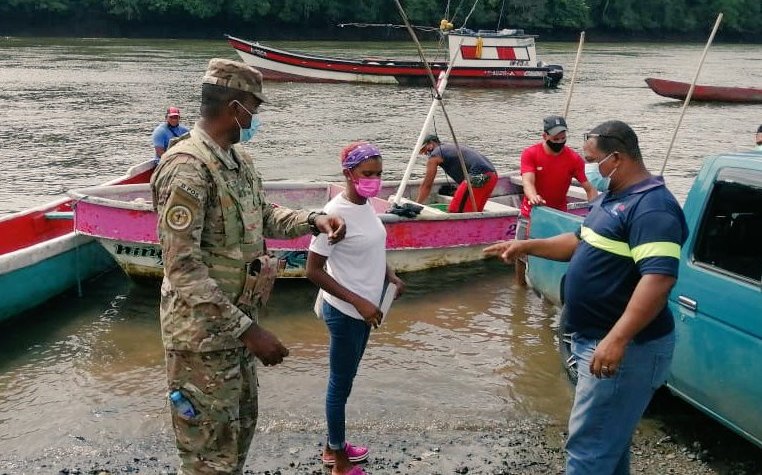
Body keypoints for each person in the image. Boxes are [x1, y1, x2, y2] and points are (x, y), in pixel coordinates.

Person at [150, 58, 346, 475]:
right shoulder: (187, 168)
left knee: (237, 437)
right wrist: (250, 331)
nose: (255, 118)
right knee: (207, 452)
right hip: (203, 339)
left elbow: (264, 214)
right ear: (234, 106)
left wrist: (313, 220)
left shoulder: (238, 160)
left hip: (237, 329)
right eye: (253, 109)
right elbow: (182, 269)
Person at [485, 120, 688, 475]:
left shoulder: (653, 208)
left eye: (594, 160)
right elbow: (579, 242)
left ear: (617, 157)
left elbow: (658, 280)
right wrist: (526, 245)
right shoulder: (613, 197)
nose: (589, 168)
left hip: (624, 349)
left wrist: (616, 339)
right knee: (609, 442)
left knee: (588, 450)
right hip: (593, 339)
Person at [306, 142, 405, 475]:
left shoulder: (366, 205)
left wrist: (389, 275)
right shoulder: (335, 214)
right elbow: (314, 270)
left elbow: (372, 245)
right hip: (347, 312)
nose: (374, 180)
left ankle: (333, 444)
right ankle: (339, 461)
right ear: (349, 174)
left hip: (367, 308)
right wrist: (360, 302)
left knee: (346, 382)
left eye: (379, 174)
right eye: (367, 174)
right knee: (339, 384)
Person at [515, 115, 598, 284]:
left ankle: (548, 295)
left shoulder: (573, 158)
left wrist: (595, 212)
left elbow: (589, 188)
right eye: (555, 138)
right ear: (545, 136)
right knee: (521, 255)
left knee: (554, 258)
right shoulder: (530, 153)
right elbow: (528, 182)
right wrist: (533, 197)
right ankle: (520, 288)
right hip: (531, 213)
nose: (559, 142)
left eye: (563, 138)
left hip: (557, 216)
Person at [416, 134, 498, 212]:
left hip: (477, 178)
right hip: (492, 176)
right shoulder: (449, 148)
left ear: (431, 144)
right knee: (474, 213)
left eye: (424, 150)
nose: (424, 153)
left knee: (454, 212)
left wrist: (416, 204)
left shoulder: (435, 155)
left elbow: (427, 184)